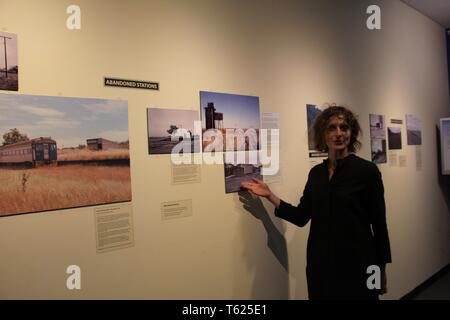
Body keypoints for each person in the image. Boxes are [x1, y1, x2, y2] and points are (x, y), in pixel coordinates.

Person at [241, 105, 392, 300]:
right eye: (332, 128)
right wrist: (270, 195)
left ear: (351, 133)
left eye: (344, 127)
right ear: (323, 134)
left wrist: (380, 270)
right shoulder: (317, 174)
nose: (338, 133)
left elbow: (379, 225)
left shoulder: (367, 172)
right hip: (321, 266)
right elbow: (301, 216)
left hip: (359, 264)